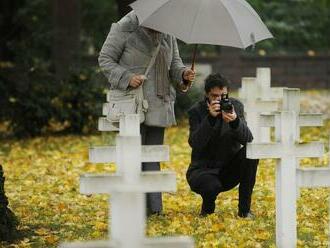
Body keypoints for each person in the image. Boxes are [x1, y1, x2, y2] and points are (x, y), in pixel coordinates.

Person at [98, 11, 195, 216]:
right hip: (131, 103)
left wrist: (184, 74)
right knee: (132, 156)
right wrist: (127, 77)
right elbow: (105, 59)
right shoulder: (125, 26)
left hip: (159, 103)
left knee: (152, 156)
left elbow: (175, 64)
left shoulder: (168, 31)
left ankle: (154, 208)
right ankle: (134, 208)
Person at [186, 73, 258, 217]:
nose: (219, 100)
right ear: (207, 95)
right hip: (203, 170)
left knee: (251, 154)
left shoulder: (235, 106)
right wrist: (210, 119)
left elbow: (248, 140)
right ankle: (207, 209)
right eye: (214, 96)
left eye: (223, 96)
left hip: (228, 169)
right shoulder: (196, 111)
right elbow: (195, 143)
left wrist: (235, 121)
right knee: (211, 186)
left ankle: (244, 211)